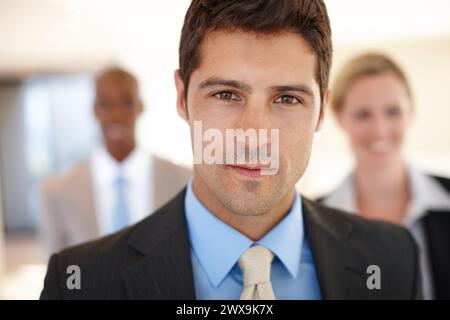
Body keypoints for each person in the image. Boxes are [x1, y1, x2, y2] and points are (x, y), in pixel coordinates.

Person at [41, 0, 421, 300]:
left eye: (287, 99)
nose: (254, 136)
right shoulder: (82, 281)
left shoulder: (392, 257)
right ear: (182, 98)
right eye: (226, 94)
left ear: (321, 110)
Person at [319, 53, 450, 300]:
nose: (379, 130)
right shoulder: (315, 220)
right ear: (338, 117)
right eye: (362, 115)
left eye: (393, 111)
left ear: (411, 111)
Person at [41, 67, 191, 255]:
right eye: (105, 104)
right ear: (95, 110)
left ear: (140, 107)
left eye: (127, 103)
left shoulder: (184, 182)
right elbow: (58, 272)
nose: (116, 115)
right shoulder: (58, 191)